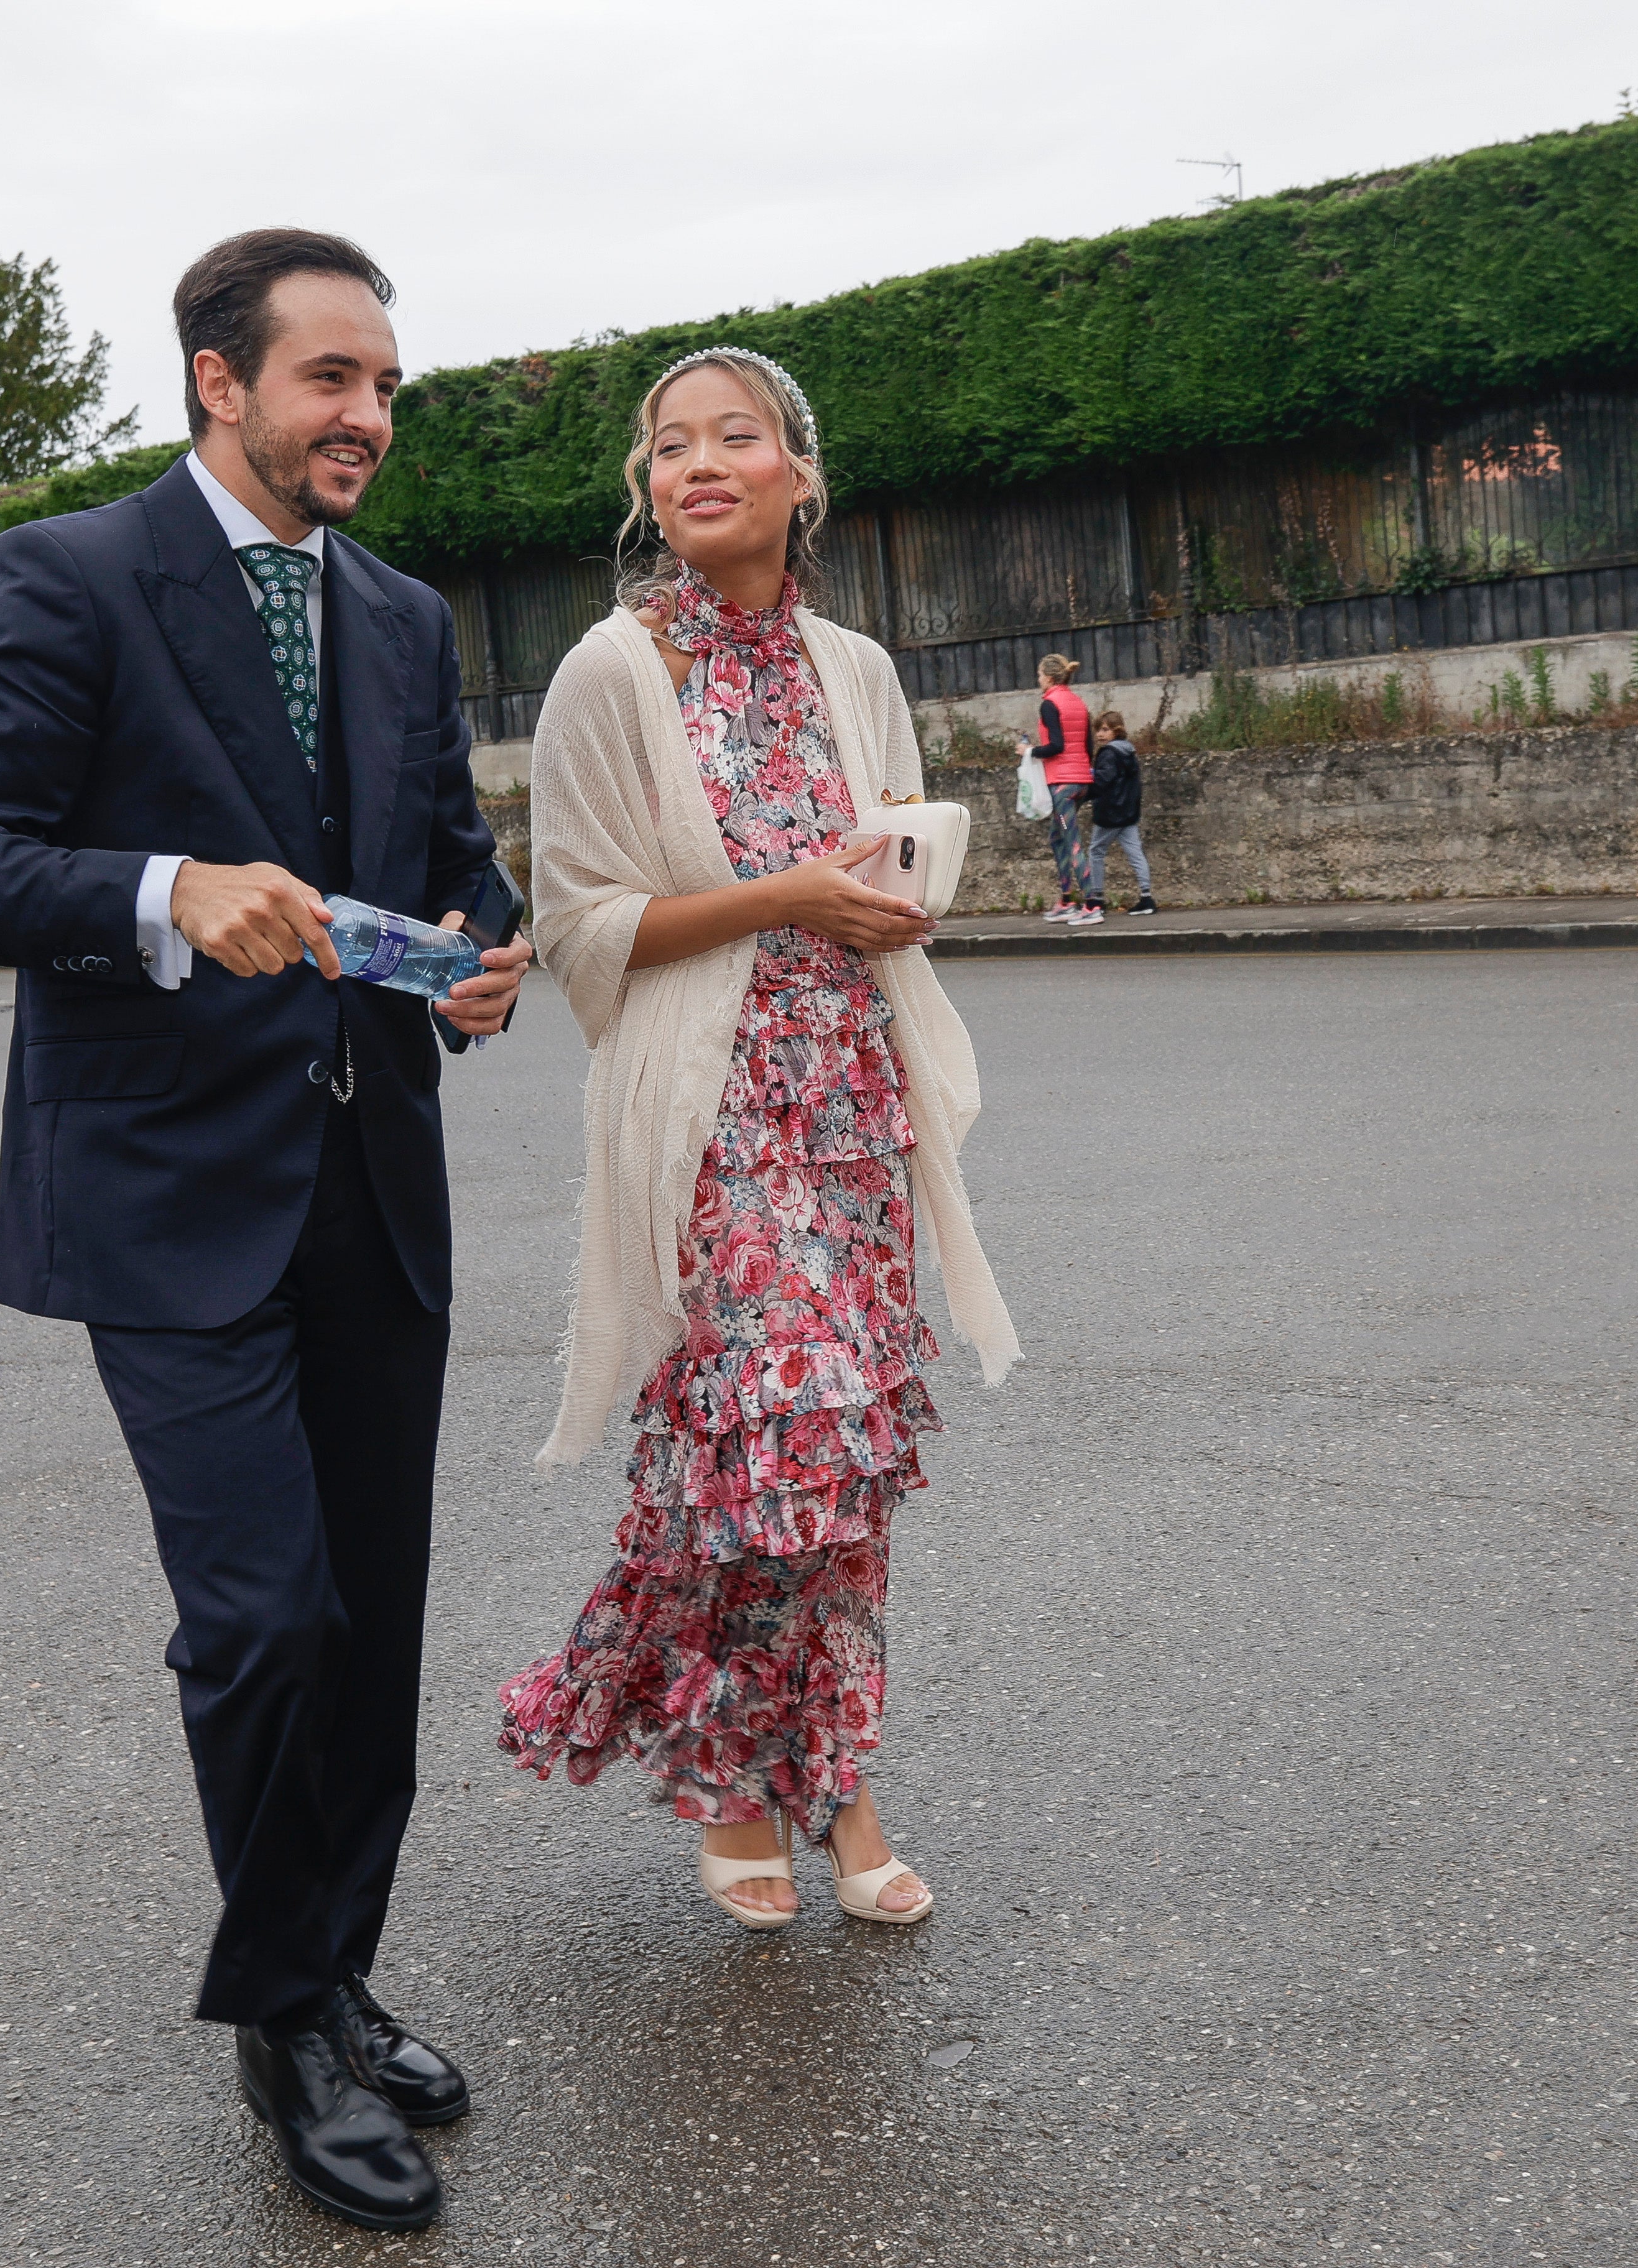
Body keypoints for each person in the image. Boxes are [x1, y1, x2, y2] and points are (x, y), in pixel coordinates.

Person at [0, 228, 530, 2236]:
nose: (370, 416)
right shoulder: (65, 576)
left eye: (388, 384)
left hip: (371, 1181)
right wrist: (169, 885)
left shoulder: (405, 615)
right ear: (216, 381)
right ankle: (282, 2029)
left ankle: (333, 1966)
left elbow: (440, 862)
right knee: (264, 1616)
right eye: (333, 377)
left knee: (375, 1619)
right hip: (168, 1195)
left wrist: (476, 958)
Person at [497, 345, 1018, 1930]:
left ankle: (832, 1784)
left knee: (838, 1469)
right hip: (707, 1119)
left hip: (852, 1106)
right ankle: (739, 1789)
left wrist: (883, 889)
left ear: (801, 475)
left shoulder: (853, 665)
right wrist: (788, 894)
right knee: (768, 1441)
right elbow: (581, 927)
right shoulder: (612, 669)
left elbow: (902, 862)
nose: (695, 462)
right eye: (668, 445)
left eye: (735, 437)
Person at [1022, 653, 1102, 924]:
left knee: (1073, 842)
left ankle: (1092, 905)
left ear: (1050, 677)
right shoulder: (1078, 703)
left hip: (1063, 784)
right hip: (1081, 781)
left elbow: (1057, 746)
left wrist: (1029, 751)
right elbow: (1088, 745)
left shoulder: (1049, 704)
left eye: (1040, 675)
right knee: (1058, 838)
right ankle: (1067, 900)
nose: (1038, 680)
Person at [1087, 708, 1154, 914]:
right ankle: (1147, 898)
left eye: (1105, 730)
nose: (1100, 734)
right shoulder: (1128, 751)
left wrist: (1082, 794)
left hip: (1111, 813)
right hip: (1128, 812)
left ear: (1117, 731)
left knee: (1096, 851)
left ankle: (1096, 899)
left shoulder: (1109, 753)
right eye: (1098, 730)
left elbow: (1102, 781)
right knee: (1135, 852)